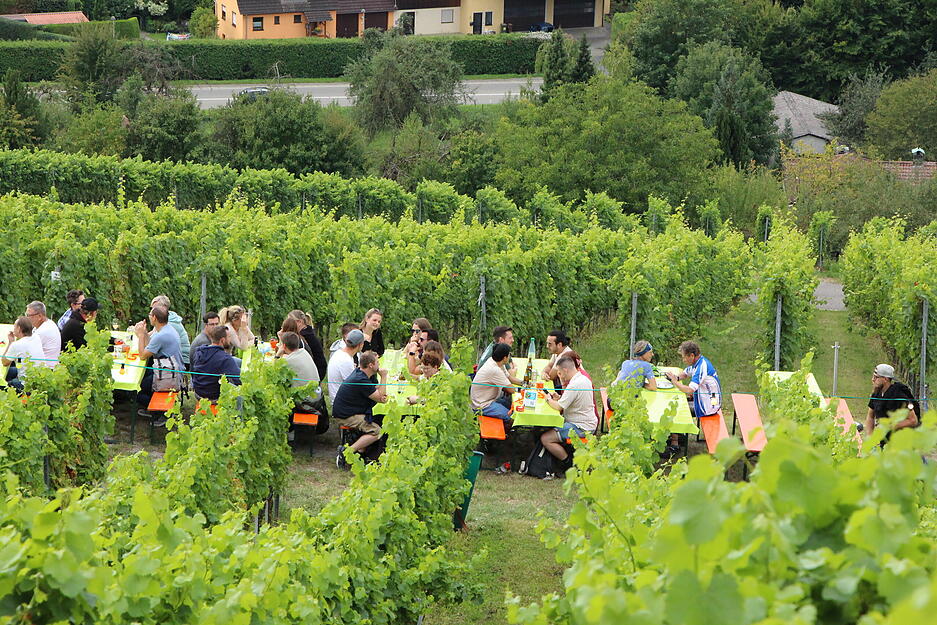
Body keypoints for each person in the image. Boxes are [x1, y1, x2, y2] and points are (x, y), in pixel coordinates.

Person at [541, 356, 598, 475]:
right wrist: (560, 398)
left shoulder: (574, 385)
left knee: (545, 438)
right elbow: (571, 400)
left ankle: (567, 463)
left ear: (566, 370)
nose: (560, 376)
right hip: (588, 422)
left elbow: (558, 407)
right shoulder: (583, 379)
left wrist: (547, 399)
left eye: (560, 373)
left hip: (581, 427)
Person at [664, 341, 721, 457]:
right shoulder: (698, 362)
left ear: (692, 355)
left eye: (684, 357)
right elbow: (685, 373)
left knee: (677, 409)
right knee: (679, 402)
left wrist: (675, 382)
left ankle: (675, 444)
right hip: (708, 398)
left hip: (709, 405)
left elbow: (690, 390)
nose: (683, 360)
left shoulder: (701, 367)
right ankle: (677, 434)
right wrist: (676, 377)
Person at [333, 350, 388, 469]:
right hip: (345, 415)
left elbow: (374, 389)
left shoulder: (361, 374)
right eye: (377, 362)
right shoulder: (360, 379)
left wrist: (379, 388)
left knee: (377, 419)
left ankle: (361, 453)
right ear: (371, 365)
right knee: (377, 431)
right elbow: (381, 398)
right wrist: (384, 377)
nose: (379, 364)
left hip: (350, 410)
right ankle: (346, 451)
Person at [135, 305, 185, 424]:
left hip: (170, 375)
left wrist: (141, 335)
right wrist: (145, 333)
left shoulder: (162, 335)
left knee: (136, 390)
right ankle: (155, 409)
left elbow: (142, 355)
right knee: (143, 380)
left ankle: (161, 412)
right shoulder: (166, 329)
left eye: (150, 315)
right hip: (167, 368)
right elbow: (150, 346)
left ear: (155, 318)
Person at [864, 364, 920, 439]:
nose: (873, 379)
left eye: (876, 377)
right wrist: (870, 437)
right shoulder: (876, 393)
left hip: (900, 441)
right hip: (884, 440)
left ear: (885, 379)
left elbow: (913, 420)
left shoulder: (899, 396)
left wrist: (889, 426)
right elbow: (870, 416)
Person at [190, 325, 242, 401]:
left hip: (198, 394)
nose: (230, 340)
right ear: (222, 340)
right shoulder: (225, 359)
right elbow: (239, 380)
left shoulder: (199, 352)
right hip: (213, 397)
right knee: (240, 394)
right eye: (229, 337)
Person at [470, 343, 515, 420]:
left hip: (489, 399)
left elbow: (509, 377)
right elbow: (512, 390)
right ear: (504, 358)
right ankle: (508, 430)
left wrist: (524, 383)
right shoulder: (494, 369)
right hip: (482, 405)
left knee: (510, 404)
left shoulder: (495, 362)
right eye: (509, 355)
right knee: (511, 416)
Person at [2, 317, 45, 391]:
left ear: (19, 328)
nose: (13, 329)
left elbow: (4, 362)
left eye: (14, 326)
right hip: (39, 379)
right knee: (11, 370)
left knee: (3, 382)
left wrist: (10, 342)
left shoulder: (16, 345)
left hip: (25, 384)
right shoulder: (36, 337)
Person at [151, 295, 191, 367]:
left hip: (181, 359)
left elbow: (152, 342)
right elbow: (152, 335)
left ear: (164, 308)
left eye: (155, 309)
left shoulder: (170, 324)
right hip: (171, 358)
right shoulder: (165, 319)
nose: (152, 312)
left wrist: (141, 335)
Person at [287, 310, 328, 379]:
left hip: (316, 371)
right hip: (319, 369)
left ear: (299, 322)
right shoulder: (308, 332)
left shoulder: (304, 336)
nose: (288, 324)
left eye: (290, 322)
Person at [327, 328, 365, 401]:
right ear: (360, 344)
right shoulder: (345, 360)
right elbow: (355, 387)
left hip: (339, 398)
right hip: (341, 402)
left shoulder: (339, 353)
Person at [24, 301, 61, 369]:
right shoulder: (48, 323)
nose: (26, 318)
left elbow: (24, 352)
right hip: (45, 368)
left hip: (45, 371)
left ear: (40, 316)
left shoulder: (43, 331)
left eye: (28, 315)